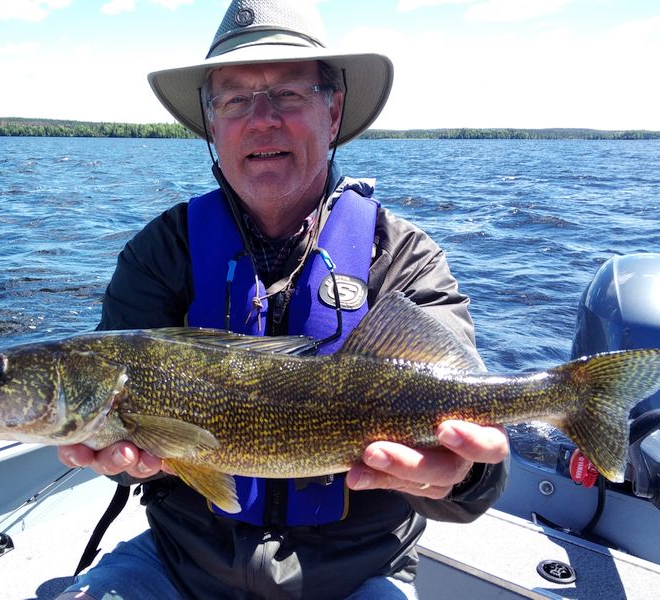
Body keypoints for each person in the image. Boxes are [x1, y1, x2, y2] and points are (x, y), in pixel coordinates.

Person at [56, 1, 509, 599]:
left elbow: (474, 439)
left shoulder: (404, 258)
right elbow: (112, 410)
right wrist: (113, 451)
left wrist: (466, 472)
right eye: (235, 99)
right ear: (211, 123)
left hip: (357, 573)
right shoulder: (159, 253)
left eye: (288, 94)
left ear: (333, 109)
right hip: (180, 563)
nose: (261, 120)